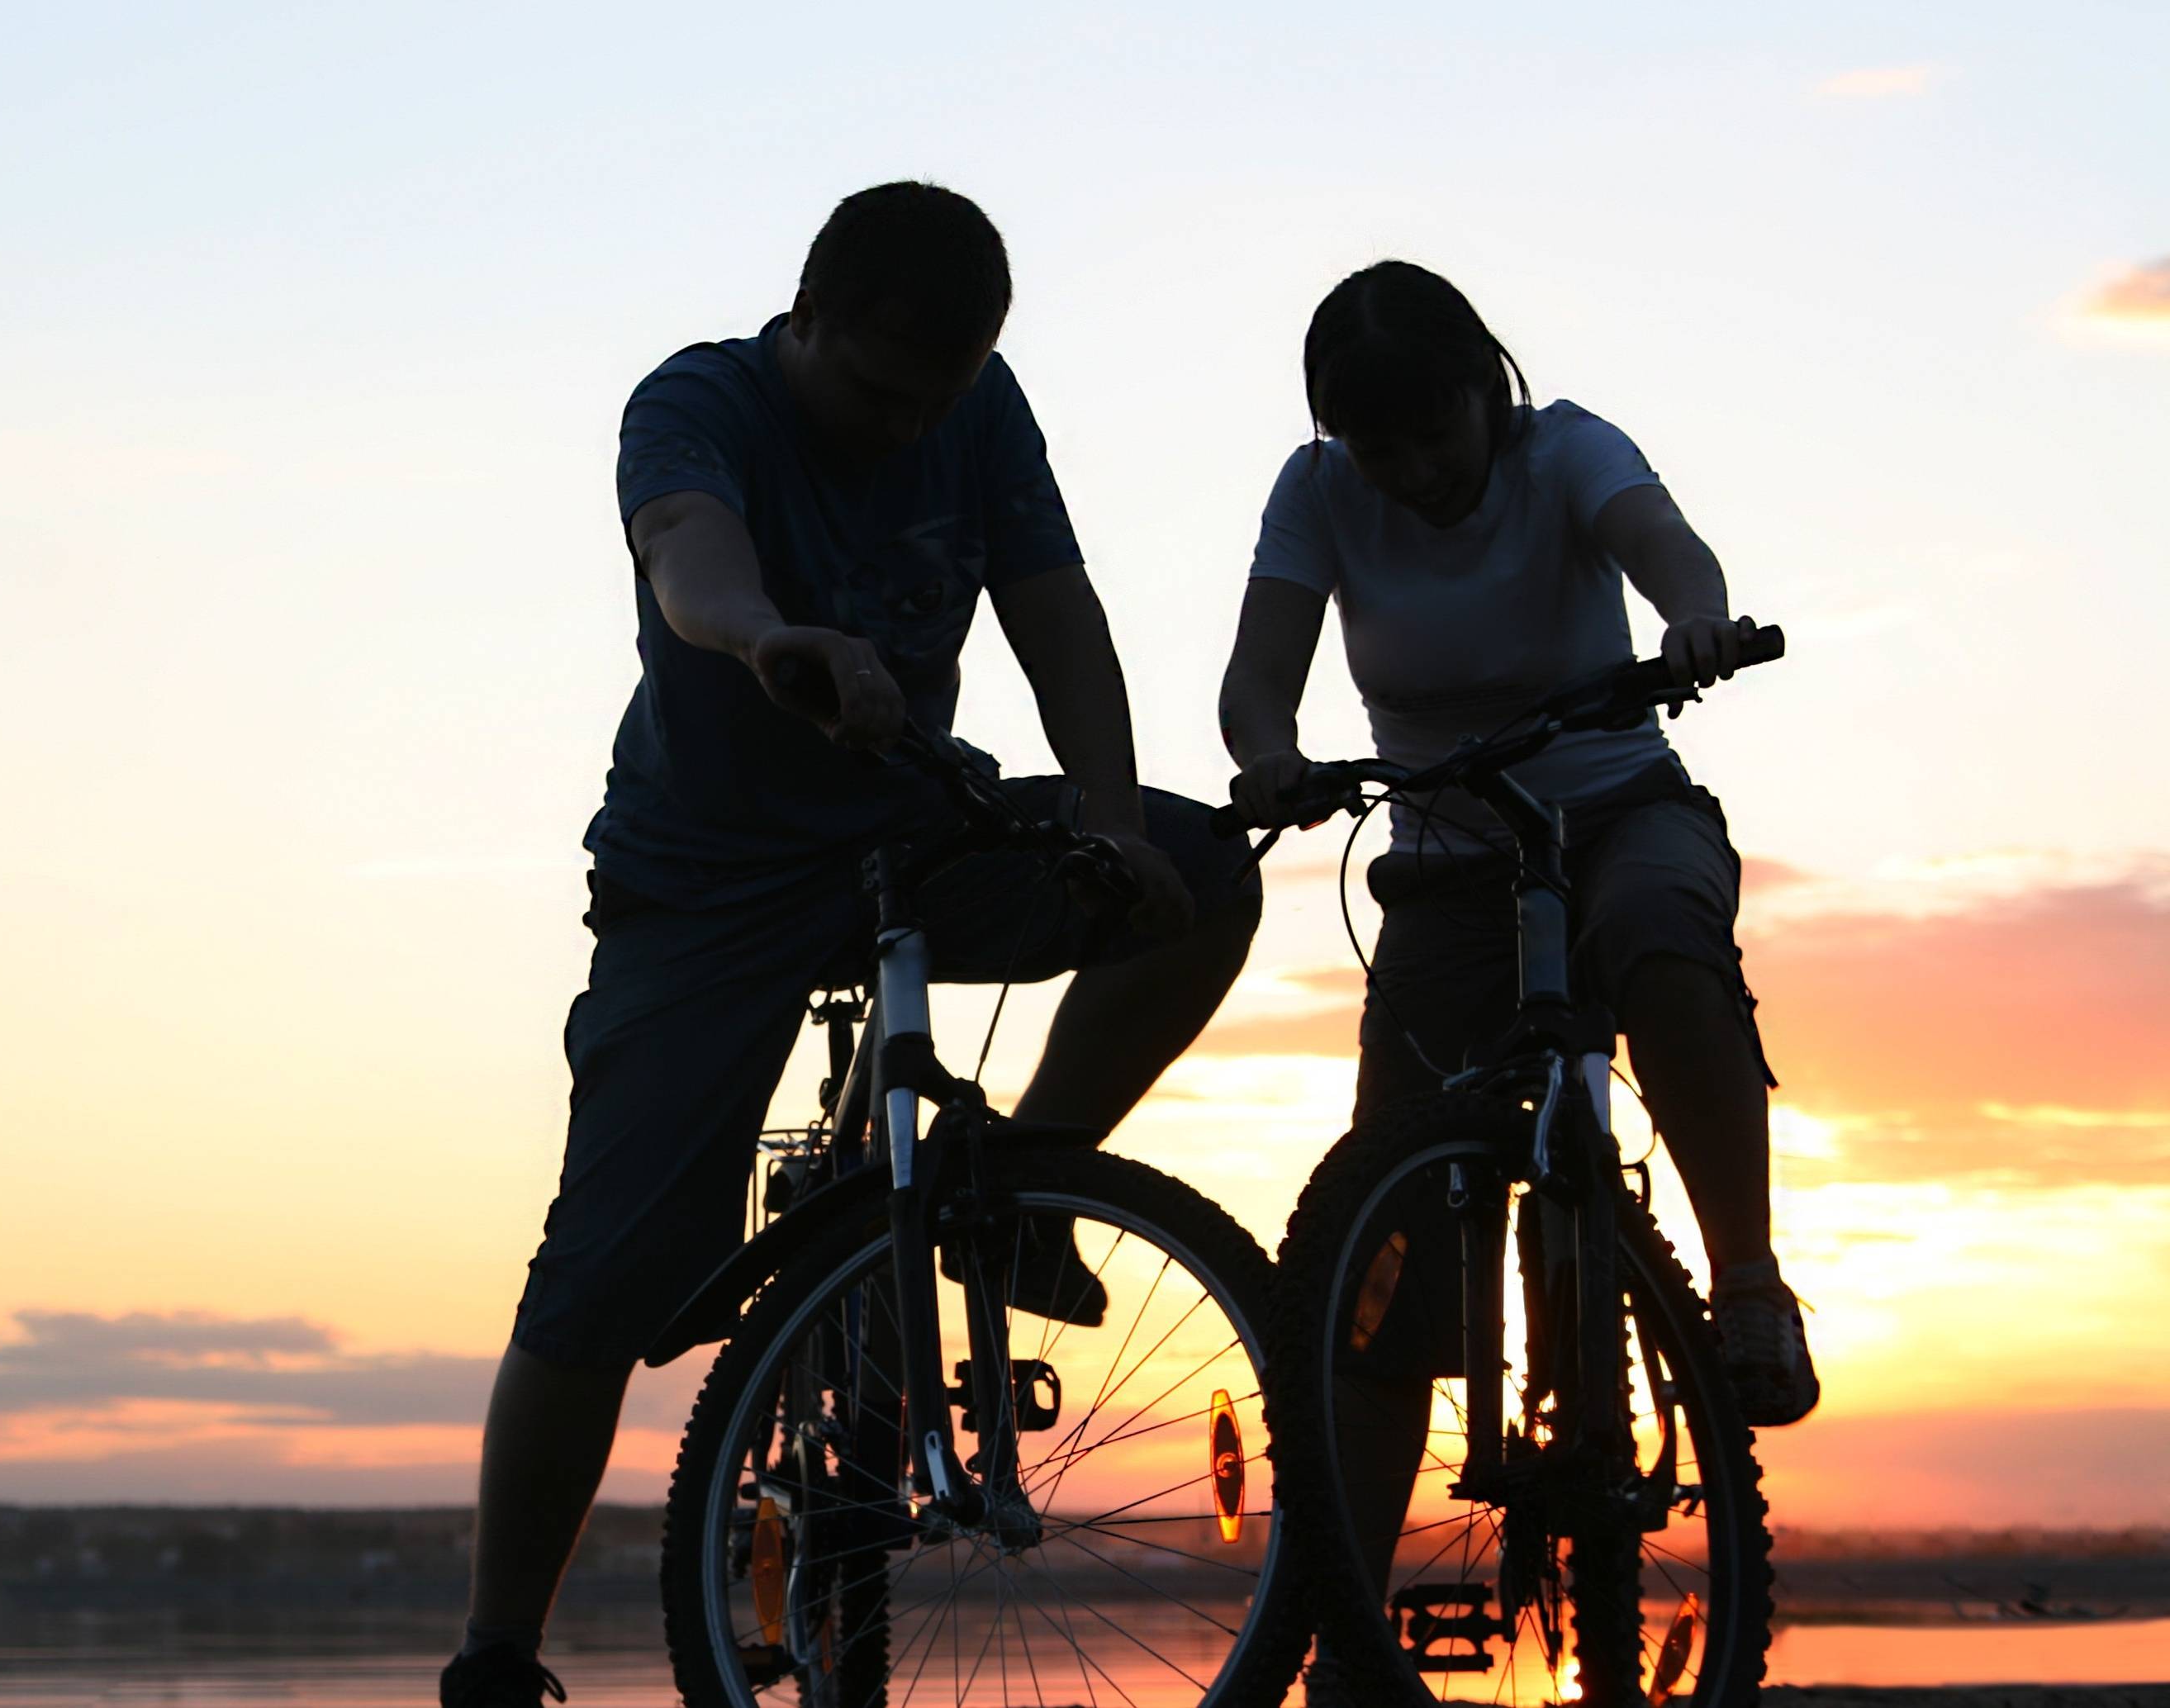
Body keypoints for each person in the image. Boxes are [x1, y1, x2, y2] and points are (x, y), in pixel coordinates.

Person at [439, 183, 1264, 1708]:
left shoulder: (980, 407)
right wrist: (771, 642)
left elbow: (1055, 610)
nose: (905, 429)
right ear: (805, 316)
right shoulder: (699, 401)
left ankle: (1019, 1188)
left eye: (934, 399)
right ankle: (497, 1652)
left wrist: (1109, 827)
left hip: (916, 843)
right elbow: (690, 557)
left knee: (1208, 877)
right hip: (709, 887)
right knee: (608, 1279)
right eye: (878, 391)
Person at [1215, 259, 1820, 1430]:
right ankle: (1348, 1595)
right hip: (1446, 865)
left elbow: (1664, 546)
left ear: (1485, 388)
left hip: (1621, 811)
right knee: (1388, 1224)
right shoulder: (1319, 492)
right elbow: (1258, 680)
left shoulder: (1566, 452)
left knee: (1661, 940)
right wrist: (1268, 755)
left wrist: (1694, 617)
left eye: (1432, 430)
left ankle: (1748, 1281)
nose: (1413, 470)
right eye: (1376, 447)